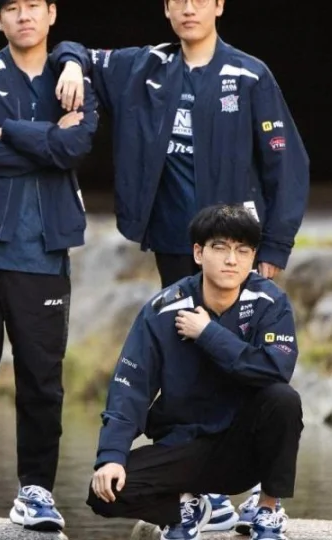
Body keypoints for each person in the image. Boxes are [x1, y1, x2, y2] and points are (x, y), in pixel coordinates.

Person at [0, 0, 97, 532]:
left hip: (43, 252)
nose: (24, 15)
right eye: (12, 7)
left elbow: (75, 148)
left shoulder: (72, 78)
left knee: (42, 380)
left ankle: (35, 491)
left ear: (52, 13)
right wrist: (47, 140)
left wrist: (5, 131)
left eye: (34, 5)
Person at [49, 0, 309, 290]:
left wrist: (276, 244)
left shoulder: (250, 74)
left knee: (230, 319)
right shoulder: (145, 67)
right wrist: (72, 65)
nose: (188, 10)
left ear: (219, 6)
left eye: (199, 1)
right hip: (171, 239)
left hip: (233, 240)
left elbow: (287, 164)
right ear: (166, 8)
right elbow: (72, 50)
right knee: (180, 319)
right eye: (179, 1)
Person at [86, 204, 303, 540]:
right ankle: (185, 507)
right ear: (199, 253)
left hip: (244, 450)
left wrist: (208, 334)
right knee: (103, 491)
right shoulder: (163, 309)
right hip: (184, 446)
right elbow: (129, 389)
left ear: (252, 257)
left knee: (283, 399)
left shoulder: (269, 301)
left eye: (242, 251)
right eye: (220, 248)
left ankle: (267, 509)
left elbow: (276, 370)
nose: (231, 260)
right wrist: (111, 456)